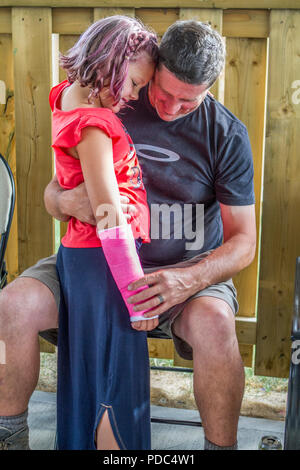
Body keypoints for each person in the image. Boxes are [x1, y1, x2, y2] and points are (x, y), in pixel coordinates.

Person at [0, 20, 256, 451]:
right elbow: (55, 190)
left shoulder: (226, 135)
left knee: (215, 324)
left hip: (182, 272)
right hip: (96, 259)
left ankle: (221, 447)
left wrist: (187, 280)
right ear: (152, 69)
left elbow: (244, 242)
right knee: (12, 306)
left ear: (210, 87)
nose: (170, 107)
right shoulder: (117, 95)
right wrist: (64, 203)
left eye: (187, 101)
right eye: (163, 92)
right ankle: (10, 434)